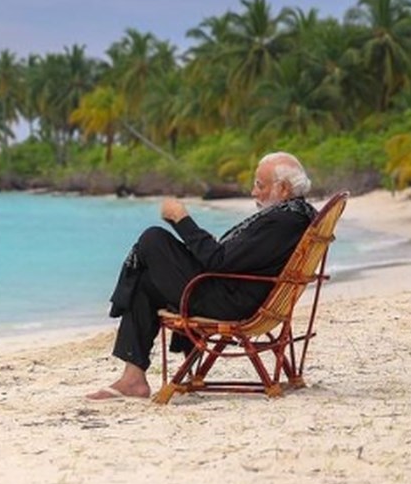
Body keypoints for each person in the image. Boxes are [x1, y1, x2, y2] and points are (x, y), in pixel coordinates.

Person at [87, 151, 318, 400]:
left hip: (232, 303)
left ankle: (123, 311)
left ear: (283, 189)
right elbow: (228, 258)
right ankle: (134, 380)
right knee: (145, 281)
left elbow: (218, 261)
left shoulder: (283, 222)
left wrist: (181, 219)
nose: (253, 192)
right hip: (236, 293)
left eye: (259, 185)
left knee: (152, 239)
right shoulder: (295, 215)